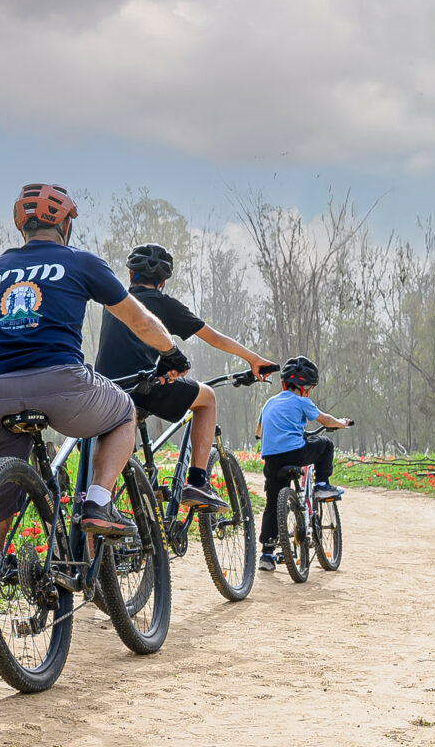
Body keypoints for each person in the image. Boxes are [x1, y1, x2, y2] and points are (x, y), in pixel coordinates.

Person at [0, 184, 183, 541]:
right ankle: (98, 502)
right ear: (66, 226)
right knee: (124, 412)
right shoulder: (79, 261)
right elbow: (140, 321)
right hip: (63, 385)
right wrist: (171, 352)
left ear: (21, 225)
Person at [90, 242, 277, 510]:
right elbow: (215, 338)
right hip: (143, 388)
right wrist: (254, 359)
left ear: (130, 276)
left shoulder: (117, 302)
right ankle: (198, 482)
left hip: (106, 390)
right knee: (208, 398)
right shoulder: (163, 304)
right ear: (163, 282)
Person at [256, 355, 350, 570]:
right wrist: (341, 424)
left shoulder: (269, 403)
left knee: (272, 504)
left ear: (282, 384)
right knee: (325, 445)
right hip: (295, 453)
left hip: (271, 459)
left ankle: (267, 554)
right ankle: (322, 485)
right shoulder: (302, 401)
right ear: (307, 389)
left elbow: (258, 432)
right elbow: (325, 421)